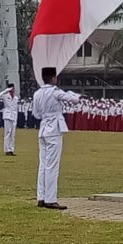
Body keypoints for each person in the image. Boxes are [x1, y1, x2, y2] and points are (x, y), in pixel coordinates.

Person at [32, 66, 81, 210]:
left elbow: (36, 114)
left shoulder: (37, 93)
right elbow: (73, 100)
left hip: (43, 130)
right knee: (52, 165)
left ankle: (41, 196)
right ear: (53, 78)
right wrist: (76, 95)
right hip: (53, 130)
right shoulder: (55, 91)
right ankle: (51, 199)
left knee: (43, 165)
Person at [0, 84, 19, 155]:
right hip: (7, 115)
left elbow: (16, 108)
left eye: (13, 88)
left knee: (13, 134)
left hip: (14, 116)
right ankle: (6, 150)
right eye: (11, 88)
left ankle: (11, 149)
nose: (13, 90)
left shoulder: (16, 98)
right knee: (7, 133)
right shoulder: (6, 96)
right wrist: (6, 90)